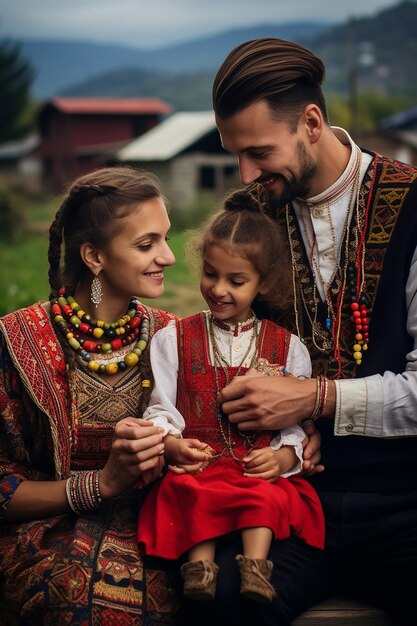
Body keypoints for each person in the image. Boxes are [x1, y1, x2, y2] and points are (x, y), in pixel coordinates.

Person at [209, 37, 417, 625]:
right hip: (288, 501)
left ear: (312, 121)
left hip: (404, 502)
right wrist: (288, 433)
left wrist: (316, 399)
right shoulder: (249, 218)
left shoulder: (412, 205)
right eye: (235, 155)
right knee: (219, 604)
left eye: (258, 152)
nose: (246, 174)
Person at [0, 166, 182, 625]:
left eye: (166, 238)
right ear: (94, 257)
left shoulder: (172, 337)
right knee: (89, 602)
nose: (169, 257)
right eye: (147, 244)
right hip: (45, 534)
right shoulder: (17, 340)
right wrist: (98, 485)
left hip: (162, 524)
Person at [137, 188, 324, 606]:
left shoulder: (287, 347)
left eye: (236, 281)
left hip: (252, 467)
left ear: (264, 283)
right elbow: (161, 405)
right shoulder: (174, 340)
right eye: (210, 274)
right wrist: (171, 445)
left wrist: (282, 458)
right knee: (188, 491)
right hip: (200, 466)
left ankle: (255, 568)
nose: (219, 289)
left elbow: (293, 423)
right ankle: (198, 570)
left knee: (267, 493)